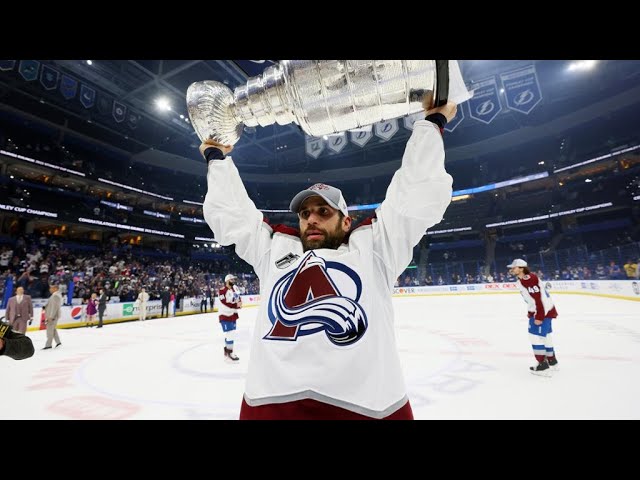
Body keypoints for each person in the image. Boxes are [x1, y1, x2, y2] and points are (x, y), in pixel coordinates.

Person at [200, 95, 457, 419]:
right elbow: (233, 216)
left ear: (346, 221)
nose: (312, 219)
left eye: (323, 211)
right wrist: (217, 157)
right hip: (274, 407)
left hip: (365, 408)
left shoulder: (376, 248)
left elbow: (413, 195)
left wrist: (432, 123)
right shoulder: (275, 249)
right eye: (306, 213)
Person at [507, 259, 559, 376]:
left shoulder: (529, 279)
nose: (511, 270)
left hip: (542, 312)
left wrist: (539, 316)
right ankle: (552, 361)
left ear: (521, 268)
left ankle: (543, 365)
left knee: (534, 336)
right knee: (546, 336)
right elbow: (532, 299)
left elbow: (538, 298)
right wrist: (531, 312)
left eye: (514, 268)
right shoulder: (526, 279)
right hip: (546, 311)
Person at [217, 274, 242, 363]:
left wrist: (239, 302)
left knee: (231, 333)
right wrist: (236, 305)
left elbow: (238, 297)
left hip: (233, 314)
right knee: (230, 333)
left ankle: (227, 353)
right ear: (227, 281)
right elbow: (224, 302)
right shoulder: (222, 291)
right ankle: (229, 353)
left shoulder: (235, 288)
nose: (233, 281)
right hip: (225, 314)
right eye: (232, 280)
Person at [43, 283, 63, 350]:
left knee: (50, 330)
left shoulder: (55, 296)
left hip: (52, 316)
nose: (50, 289)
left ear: (55, 289)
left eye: (51, 288)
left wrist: (51, 316)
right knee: (53, 330)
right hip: (52, 316)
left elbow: (54, 307)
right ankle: (58, 342)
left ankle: (48, 345)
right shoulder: (55, 295)